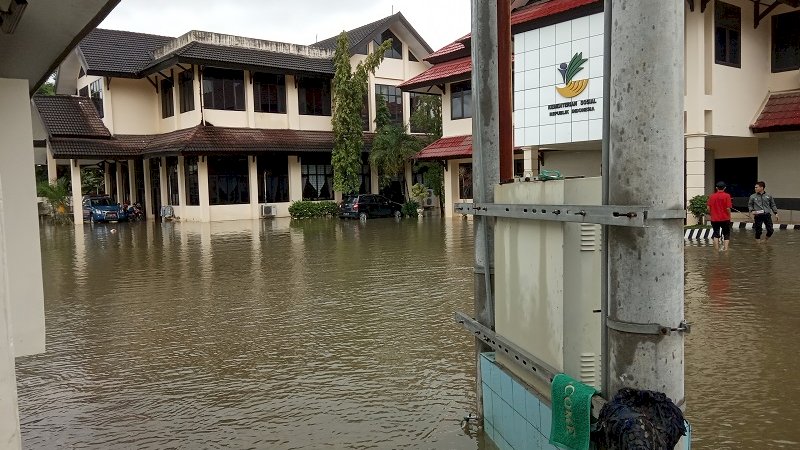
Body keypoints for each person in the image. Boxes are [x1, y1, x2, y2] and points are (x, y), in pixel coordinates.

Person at [707, 181, 732, 251]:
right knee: (726, 234)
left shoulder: (711, 196)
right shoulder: (727, 196)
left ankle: (717, 250)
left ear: (716, 188)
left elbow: (708, 208)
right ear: (725, 188)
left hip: (714, 219)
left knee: (716, 234)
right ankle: (726, 249)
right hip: (725, 218)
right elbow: (728, 208)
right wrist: (729, 215)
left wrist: (711, 214)